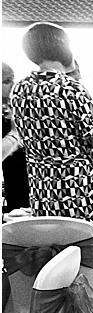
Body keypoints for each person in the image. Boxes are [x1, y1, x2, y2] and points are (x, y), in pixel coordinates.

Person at [8, 22, 93, 244]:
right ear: (64, 48)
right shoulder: (71, 89)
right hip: (77, 189)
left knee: (53, 257)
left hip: (42, 187)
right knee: (86, 260)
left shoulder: (19, 90)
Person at [2, 62, 29, 212]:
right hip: (14, 182)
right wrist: (14, 135)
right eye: (6, 81)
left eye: (13, 79)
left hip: (27, 179)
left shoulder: (14, 106)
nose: (13, 85)